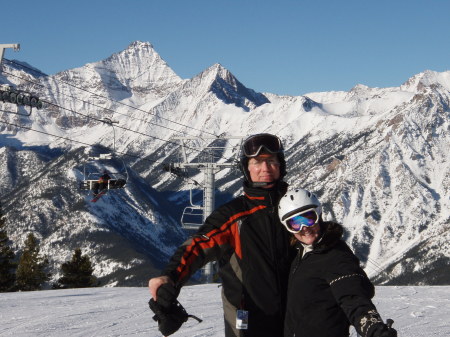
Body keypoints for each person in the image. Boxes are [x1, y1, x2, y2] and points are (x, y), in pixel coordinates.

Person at [149, 133, 295, 337]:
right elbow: (198, 246)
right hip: (249, 319)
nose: (265, 169)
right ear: (247, 168)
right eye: (257, 163)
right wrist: (170, 277)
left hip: (296, 315)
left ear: (281, 166)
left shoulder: (296, 209)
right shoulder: (233, 216)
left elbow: (323, 249)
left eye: (271, 161)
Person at [278, 188, 397, 337]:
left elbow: (353, 297)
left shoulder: (336, 256)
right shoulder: (301, 253)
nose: (304, 228)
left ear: (319, 214)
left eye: (309, 218)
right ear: (288, 228)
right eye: (295, 223)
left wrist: (374, 330)